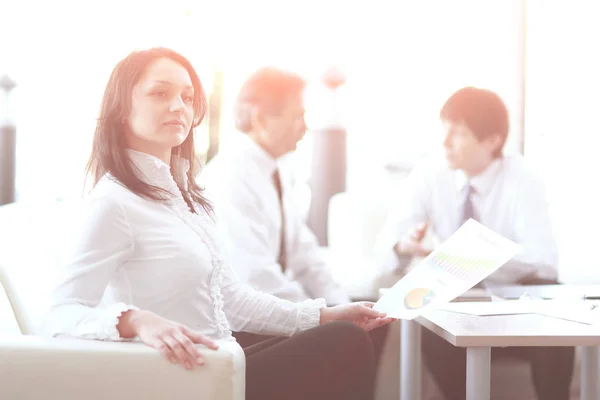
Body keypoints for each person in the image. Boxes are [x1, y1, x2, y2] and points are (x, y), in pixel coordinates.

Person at [40, 47, 392, 400]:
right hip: (185, 378)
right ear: (120, 107)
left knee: (346, 331)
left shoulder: (186, 196)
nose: (179, 105)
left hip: (221, 358)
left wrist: (324, 315)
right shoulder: (114, 202)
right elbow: (59, 315)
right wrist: (134, 321)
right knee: (346, 342)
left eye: (187, 96)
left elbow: (232, 299)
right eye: (160, 93)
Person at [374, 87, 574, 400]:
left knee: (553, 305)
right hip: (455, 301)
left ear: (492, 141)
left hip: (511, 306)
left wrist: (479, 255)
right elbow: (387, 243)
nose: (445, 142)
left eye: (459, 133)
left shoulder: (523, 178)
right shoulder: (429, 174)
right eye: (445, 130)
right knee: (433, 333)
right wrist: (407, 246)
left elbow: (545, 261)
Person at [202, 68, 389, 359]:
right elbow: (257, 277)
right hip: (245, 327)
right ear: (261, 118)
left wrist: (342, 307)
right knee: (348, 337)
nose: (304, 128)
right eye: (296, 117)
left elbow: (306, 258)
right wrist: (320, 316)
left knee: (375, 320)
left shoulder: (277, 172)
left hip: (280, 310)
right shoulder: (230, 178)